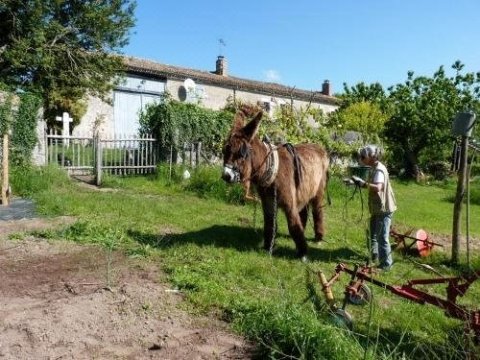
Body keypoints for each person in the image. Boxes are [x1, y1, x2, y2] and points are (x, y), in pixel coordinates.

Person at [351, 145, 397, 270]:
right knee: (372, 234)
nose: (361, 158)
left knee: (382, 237)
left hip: (384, 208)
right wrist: (355, 182)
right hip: (377, 208)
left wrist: (362, 183)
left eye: (363, 156)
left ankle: (386, 265)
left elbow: (377, 188)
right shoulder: (374, 168)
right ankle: (374, 256)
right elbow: (370, 184)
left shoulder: (379, 170)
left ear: (371, 157)